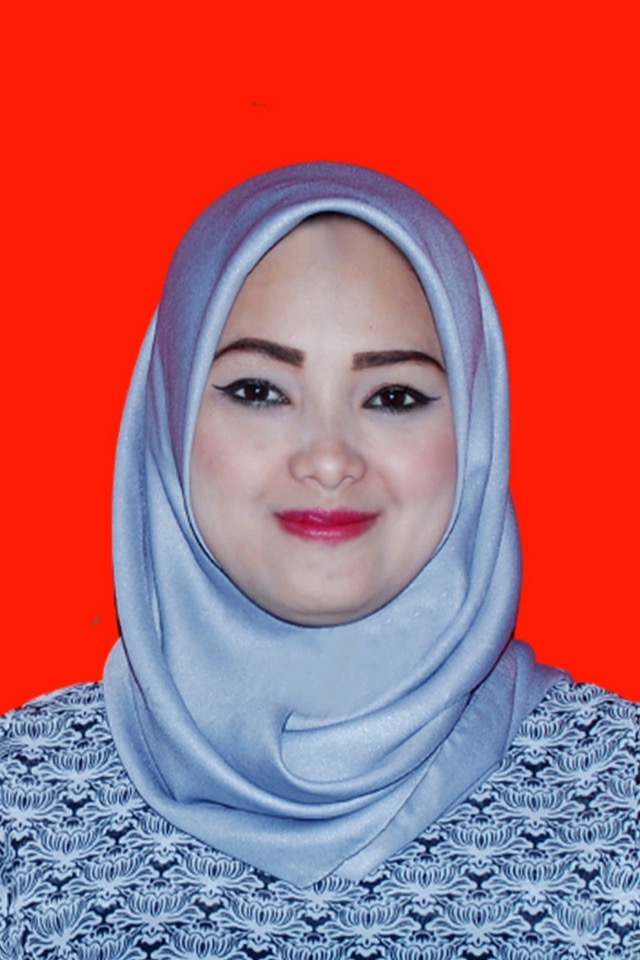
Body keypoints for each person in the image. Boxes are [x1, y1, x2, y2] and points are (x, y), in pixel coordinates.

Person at [1, 162, 637, 958]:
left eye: (393, 397)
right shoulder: (23, 803)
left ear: (476, 435)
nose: (330, 459)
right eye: (260, 391)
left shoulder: (619, 792)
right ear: (167, 419)